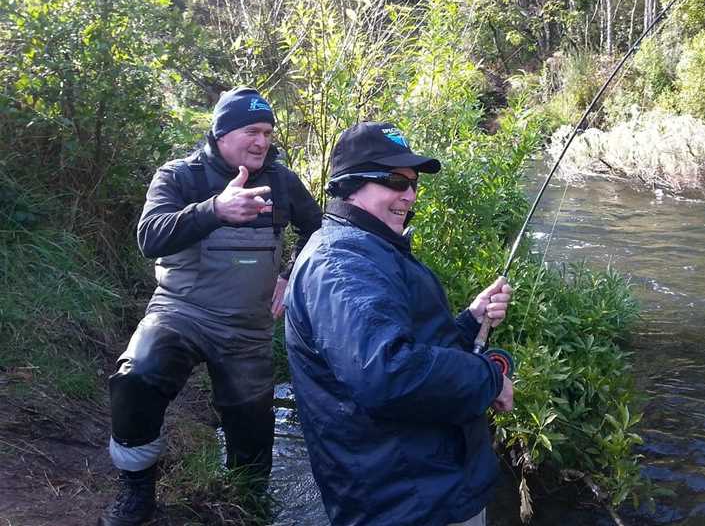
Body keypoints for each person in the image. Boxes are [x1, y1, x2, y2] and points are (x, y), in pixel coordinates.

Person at [99, 87, 323, 526]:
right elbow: (150, 237)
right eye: (252, 131)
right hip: (181, 311)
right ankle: (137, 492)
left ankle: (247, 504)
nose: (262, 141)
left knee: (253, 439)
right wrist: (214, 209)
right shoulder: (179, 176)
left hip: (248, 329)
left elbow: (319, 230)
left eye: (268, 132)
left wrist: (291, 273)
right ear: (221, 132)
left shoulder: (282, 181)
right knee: (136, 379)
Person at [283, 121, 514, 526]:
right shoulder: (342, 264)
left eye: (413, 183)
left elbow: (408, 343)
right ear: (349, 185)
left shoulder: (370, 247)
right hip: (406, 502)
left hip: (431, 484)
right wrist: (489, 376)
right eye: (394, 180)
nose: (408, 194)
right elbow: (389, 373)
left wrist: (467, 321)